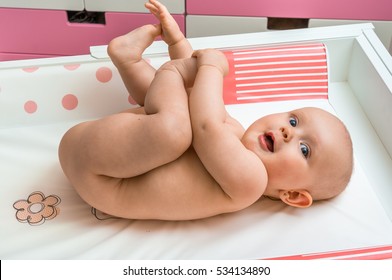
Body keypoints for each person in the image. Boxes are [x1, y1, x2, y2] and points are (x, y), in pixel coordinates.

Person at [58, 0, 353, 221]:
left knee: (174, 130)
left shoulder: (251, 182)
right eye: (293, 119)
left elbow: (205, 127)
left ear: (293, 195)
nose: (289, 132)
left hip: (99, 173)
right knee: (177, 112)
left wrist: (210, 67)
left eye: (304, 150)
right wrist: (178, 43)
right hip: (105, 151)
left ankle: (161, 70)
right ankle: (130, 61)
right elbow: (192, 94)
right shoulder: (235, 132)